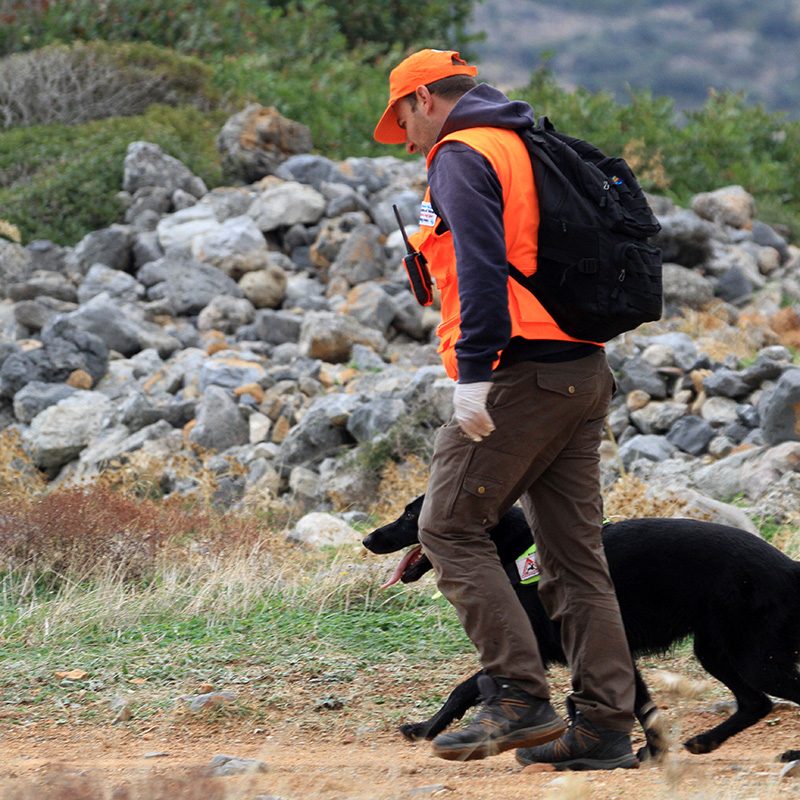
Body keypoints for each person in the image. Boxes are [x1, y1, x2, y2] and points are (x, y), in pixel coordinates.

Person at [373, 49, 638, 770]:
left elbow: (483, 266)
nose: (408, 137)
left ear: (423, 98)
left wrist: (475, 374)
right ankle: (605, 727)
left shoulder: (461, 155)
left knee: (449, 526)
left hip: (518, 374)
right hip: (581, 371)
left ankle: (518, 696)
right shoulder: (526, 143)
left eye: (403, 119)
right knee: (574, 558)